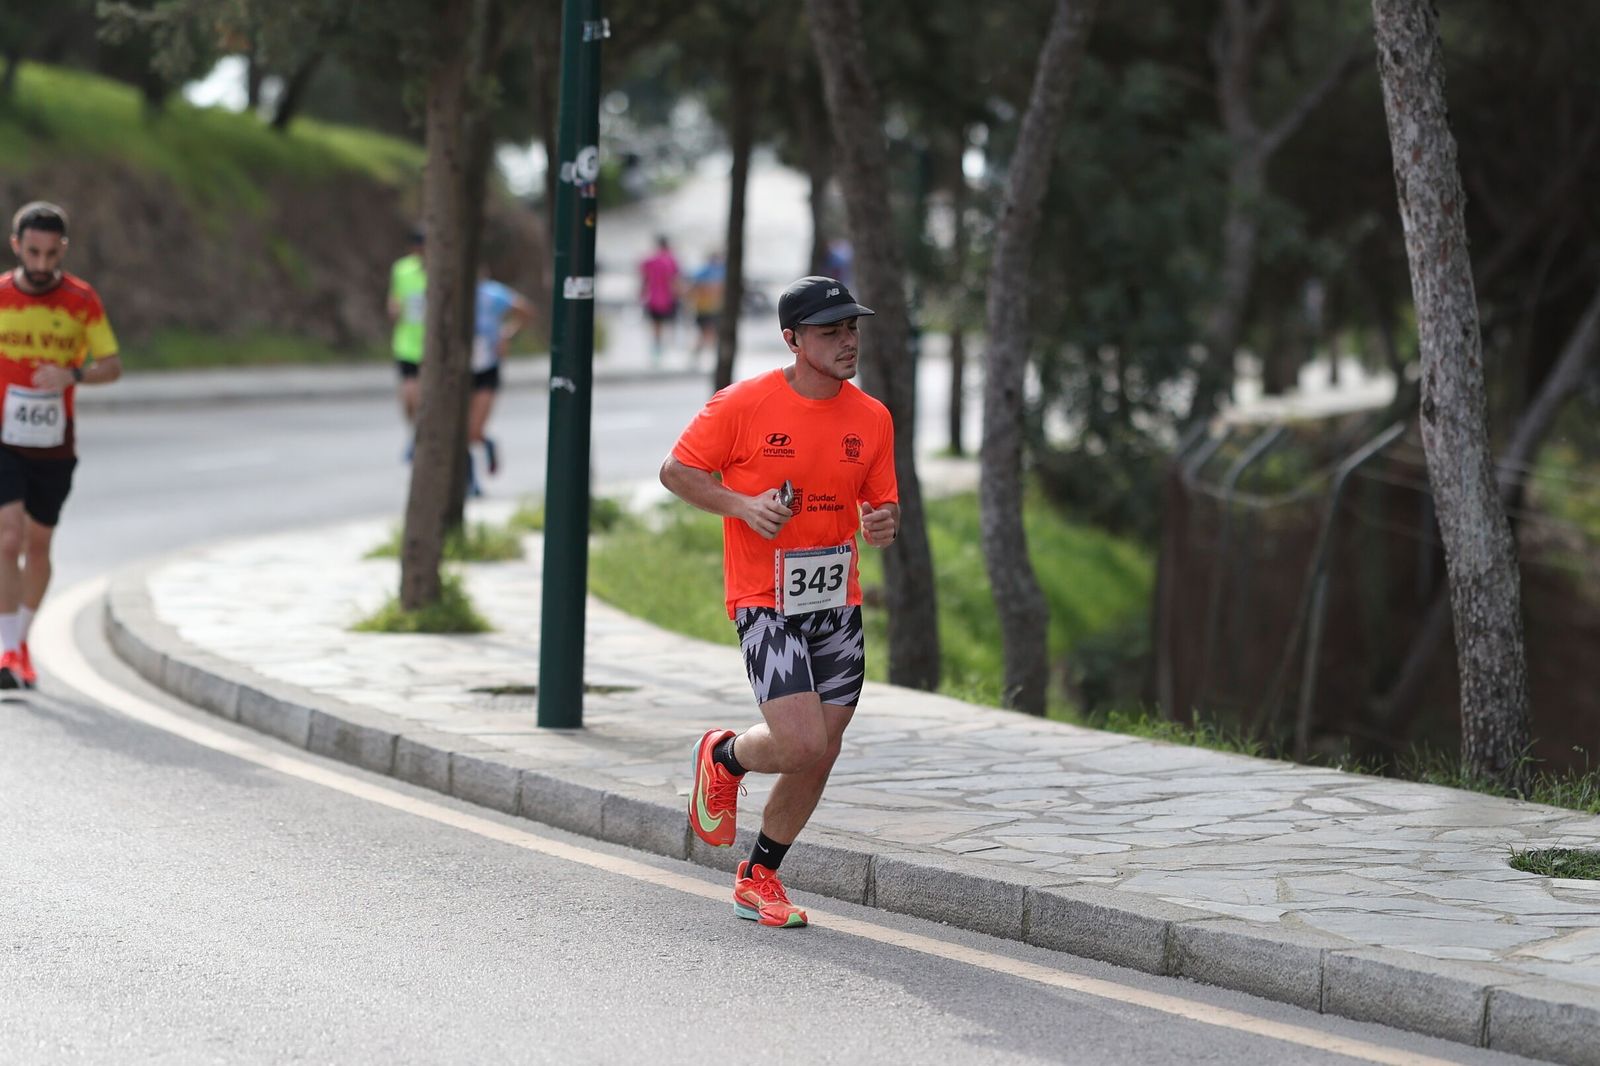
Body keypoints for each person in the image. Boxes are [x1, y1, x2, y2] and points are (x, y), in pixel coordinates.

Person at [659, 275, 900, 928]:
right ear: (793, 340)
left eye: (852, 328)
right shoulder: (743, 406)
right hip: (765, 596)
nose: (848, 342)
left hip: (835, 599)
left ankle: (760, 873)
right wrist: (741, 505)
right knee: (798, 743)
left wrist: (882, 525)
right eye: (831, 332)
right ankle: (725, 756)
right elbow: (677, 472)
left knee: (824, 747)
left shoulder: (872, 418)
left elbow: (882, 508)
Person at [0, 202, 122, 689]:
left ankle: (22, 639)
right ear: (16, 247)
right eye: (33, 252)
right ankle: (6, 650)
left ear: (63, 250)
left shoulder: (81, 300)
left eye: (52, 254)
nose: (42, 264)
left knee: (38, 542)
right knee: (7, 536)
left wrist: (72, 374)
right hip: (3, 436)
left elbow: (111, 365)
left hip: (54, 441)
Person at [470, 267, 534, 483]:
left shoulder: (492, 294)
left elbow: (525, 310)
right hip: (457, 370)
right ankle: (471, 482)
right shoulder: (449, 294)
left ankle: (486, 444)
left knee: (474, 430)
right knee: (456, 431)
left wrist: (507, 334)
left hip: (487, 367)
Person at [388, 228, 426, 451]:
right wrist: (393, 309)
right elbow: (395, 298)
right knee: (409, 396)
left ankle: (423, 437)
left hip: (432, 346)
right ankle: (416, 434)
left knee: (424, 396)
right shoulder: (402, 269)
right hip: (407, 343)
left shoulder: (440, 271)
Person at [639, 235, 679, 361]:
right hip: (668, 298)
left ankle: (657, 348)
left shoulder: (649, 260)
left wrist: (642, 293)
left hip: (652, 298)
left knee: (656, 325)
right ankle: (662, 349)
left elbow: (644, 279)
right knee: (668, 324)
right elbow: (674, 280)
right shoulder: (671, 259)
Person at [687, 251, 725, 360]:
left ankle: (699, 355)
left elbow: (691, 290)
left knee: (707, 334)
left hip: (707, 308)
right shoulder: (718, 272)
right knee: (708, 333)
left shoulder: (703, 272)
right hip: (708, 308)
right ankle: (709, 356)